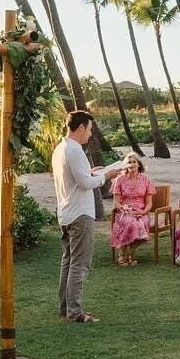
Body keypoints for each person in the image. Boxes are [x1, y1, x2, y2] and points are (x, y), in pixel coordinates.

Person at [52, 110, 122, 322]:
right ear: (81, 127)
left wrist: (93, 172)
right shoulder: (74, 151)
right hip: (80, 214)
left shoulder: (61, 148)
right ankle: (75, 312)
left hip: (66, 212)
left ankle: (66, 308)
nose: (90, 134)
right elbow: (84, 184)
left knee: (68, 262)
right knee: (79, 264)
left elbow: (77, 177)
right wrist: (105, 177)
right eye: (89, 130)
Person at [110, 153, 155, 266]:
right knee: (130, 222)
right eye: (129, 162)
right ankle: (121, 253)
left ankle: (130, 251)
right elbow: (116, 202)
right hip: (124, 211)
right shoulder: (119, 180)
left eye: (134, 162)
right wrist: (124, 209)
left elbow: (149, 203)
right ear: (125, 165)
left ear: (139, 165)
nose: (132, 164)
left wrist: (143, 212)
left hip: (141, 211)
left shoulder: (146, 180)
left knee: (142, 223)